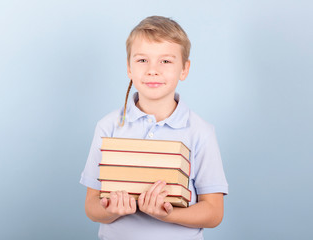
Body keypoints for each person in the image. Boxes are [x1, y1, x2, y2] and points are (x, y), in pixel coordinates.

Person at [80, 16, 228, 240]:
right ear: (129, 67)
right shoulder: (107, 127)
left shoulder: (200, 132)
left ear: (184, 69)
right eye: (142, 60)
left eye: (165, 61)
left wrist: (168, 215)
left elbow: (214, 213)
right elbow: (92, 207)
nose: (153, 70)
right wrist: (110, 210)